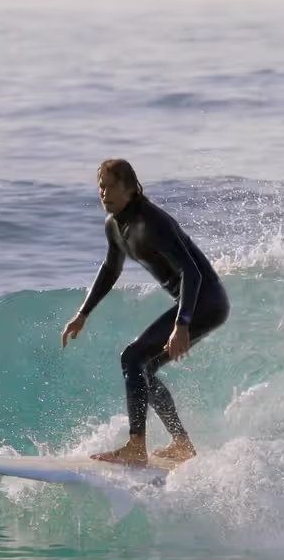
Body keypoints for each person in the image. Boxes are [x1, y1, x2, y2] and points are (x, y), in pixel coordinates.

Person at [60, 158, 230, 465]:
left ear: (130, 188)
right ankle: (182, 444)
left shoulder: (151, 223)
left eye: (111, 186)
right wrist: (83, 313)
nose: (103, 192)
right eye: (101, 185)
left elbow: (193, 274)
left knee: (132, 357)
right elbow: (111, 269)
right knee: (143, 367)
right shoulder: (115, 225)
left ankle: (136, 447)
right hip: (195, 304)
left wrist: (183, 324)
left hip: (206, 301)